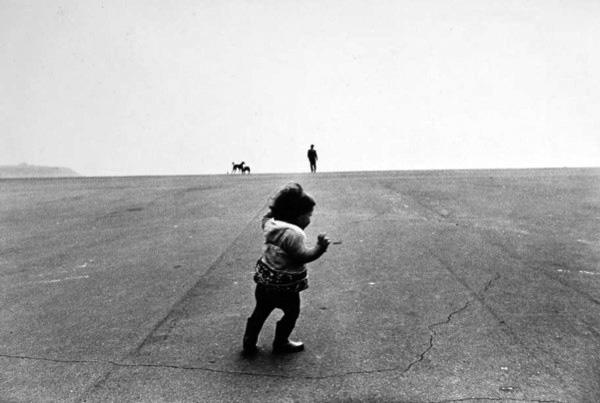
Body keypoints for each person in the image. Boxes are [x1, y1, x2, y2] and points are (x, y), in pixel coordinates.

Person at [242, 183, 331, 354]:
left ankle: (249, 340)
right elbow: (303, 255)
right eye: (308, 215)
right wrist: (320, 248)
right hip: (285, 288)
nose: (309, 219)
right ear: (297, 216)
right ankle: (281, 342)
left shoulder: (270, 225)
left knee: (260, 312)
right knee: (291, 313)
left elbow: (266, 217)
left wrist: (276, 209)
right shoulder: (294, 234)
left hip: (265, 283)